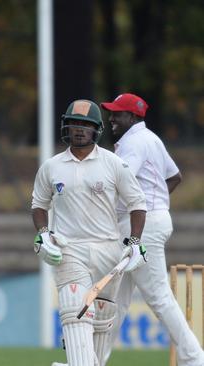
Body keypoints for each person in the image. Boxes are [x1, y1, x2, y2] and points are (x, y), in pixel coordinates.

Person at [31, 99, 148, 366]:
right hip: (69, 249)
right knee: (76, 312)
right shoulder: (52, 166)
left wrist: (135, 241)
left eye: (85, 125)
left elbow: (137, 204)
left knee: (102, 322)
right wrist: (44, 233)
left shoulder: (113, 163)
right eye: (74, 124)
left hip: (108, 250)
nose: (79, 129)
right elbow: (38, 205)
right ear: (66, 127)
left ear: (96, 130)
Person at [100, 93, 204, 366]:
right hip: (148, 222)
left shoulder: (133, 143)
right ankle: (90, 361)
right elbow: (175, 176)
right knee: (116, 300)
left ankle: (195, 358)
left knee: (158, 296)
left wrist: (142, 206)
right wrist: (154, 203)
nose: (111, 118)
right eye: (111, 112)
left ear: (132, 117)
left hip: (141, 227)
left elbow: (120, 182)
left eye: (117, 114)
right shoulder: (152, 139)